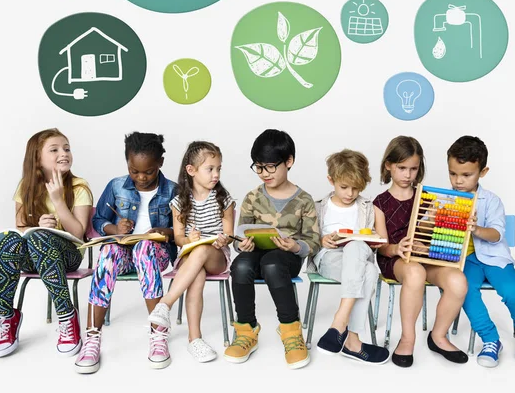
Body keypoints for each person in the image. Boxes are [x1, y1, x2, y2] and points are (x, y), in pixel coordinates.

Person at [74, 132, 177, 374]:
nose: (141, 177)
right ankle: (92, 338)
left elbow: (181, 230)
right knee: (109, 251)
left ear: (160, 162)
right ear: (127, 163)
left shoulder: (173, 190)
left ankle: (158, 332)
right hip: (122, 253)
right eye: (134, 171)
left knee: (144, 248)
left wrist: (166, 231)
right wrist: (114, 229)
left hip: (155, 254)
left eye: (148, 172)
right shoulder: (116, 185)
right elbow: (99, 219)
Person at [224, 129, 321, 370]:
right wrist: (241, 244)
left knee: (273, 263)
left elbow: (314, 241)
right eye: (258, 167)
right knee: (241, 264)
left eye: (270, 167)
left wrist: (296, 245)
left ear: (289, 162)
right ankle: (246, 330)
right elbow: (239, 235)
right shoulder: (252, 197)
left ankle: (291, 331)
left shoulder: (304, 200)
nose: (264, 174)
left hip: (285, 258)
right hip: (256, 254)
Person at [0, 128, 93, 358]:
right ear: (37, 158)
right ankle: (6, 319)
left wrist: (58, 202)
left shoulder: (79, 186)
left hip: (69, 256)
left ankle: (67, 317)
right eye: (55, 149)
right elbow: (20, 228)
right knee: (9, 242)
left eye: (67, 148)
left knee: (41, 238)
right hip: (33, 257)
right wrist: (36, 225)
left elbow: (79, 233)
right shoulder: (25, 187)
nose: (64, 153)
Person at [373, 135, 468, 367]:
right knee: (414, 272)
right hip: (396, 260)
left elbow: (438, 237)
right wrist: (397, 247)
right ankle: (407, 338)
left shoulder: (427, 199)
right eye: (401, 168)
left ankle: (438, 336)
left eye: (413, 169)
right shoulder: (380, 203)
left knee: (458, 281)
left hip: (426, 258)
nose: (407, 175)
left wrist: (441, 226)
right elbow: (381, 247)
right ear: (388, 165)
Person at [448, 135, 515, 367]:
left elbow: (496, 235)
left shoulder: (492, 200)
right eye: (453, 173)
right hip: (466, 260)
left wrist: (476, 228)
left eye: (466, 175)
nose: (458, 181)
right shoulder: (446, 199)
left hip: (495, 257)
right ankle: (490, 339)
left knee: (513, 291)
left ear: (482, 172)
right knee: (463, 291)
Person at [148, 141, 235, 363]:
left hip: (217, 255)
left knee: (202, 250)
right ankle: (194, 339)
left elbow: (229, 234)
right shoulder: (179, 203)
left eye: (218, 169)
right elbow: (178, 239)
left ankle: (165, 304)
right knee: (196, 274)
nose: (216, 174)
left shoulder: (224, 200)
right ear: (191, 170)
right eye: (210, 169)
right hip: (190, 256)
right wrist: (189, 239)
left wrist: (222, 238)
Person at [310, 149, 389, 364]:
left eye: (356, 188)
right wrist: (321, 239)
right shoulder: (318, 207)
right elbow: (308, 237)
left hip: (358, 256)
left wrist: (371, 238)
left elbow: (379, 240)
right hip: (329, 258)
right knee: (369, 272)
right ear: (331, 180)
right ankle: (351, 339)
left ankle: (339, 325)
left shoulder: (368, 208)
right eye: (344, 187)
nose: (350, 193)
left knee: (357, 248)